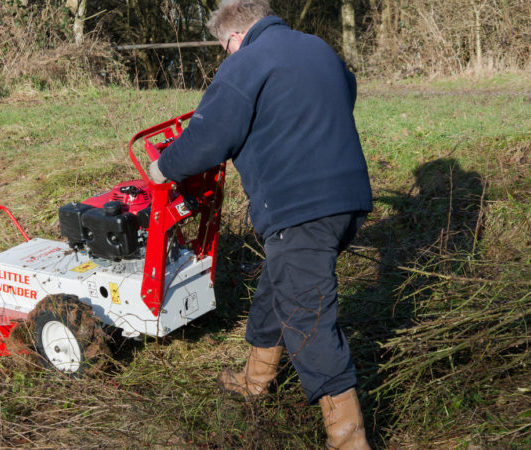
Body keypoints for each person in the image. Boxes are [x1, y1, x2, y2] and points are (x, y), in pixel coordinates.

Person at [149, 1, 372, 448]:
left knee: (308, 320)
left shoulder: (246, 62)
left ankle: (349, 439)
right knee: (279, 285)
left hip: (300, 209)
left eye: (222, 48)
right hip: (347, 201)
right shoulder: (317, 48)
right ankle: (255, 379)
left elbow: (209, 137)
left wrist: (162, 169)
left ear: (233, 37)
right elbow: (343, 91)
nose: (225, 56)